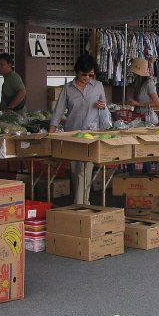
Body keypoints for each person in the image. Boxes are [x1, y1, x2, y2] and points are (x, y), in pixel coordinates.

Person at [48, 53, 107, 205]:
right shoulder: (68, 89)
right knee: (75, 171)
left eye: (91, 75)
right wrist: (51, 134)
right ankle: (82, 202)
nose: (87, 78)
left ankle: (80, 204)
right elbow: (58, 112)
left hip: (91, 135)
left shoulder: (98, 86)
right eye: (84, 74)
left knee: (85, 171)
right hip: (72, 135)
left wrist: (103, 107)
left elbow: (104, 111)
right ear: (77, 72)